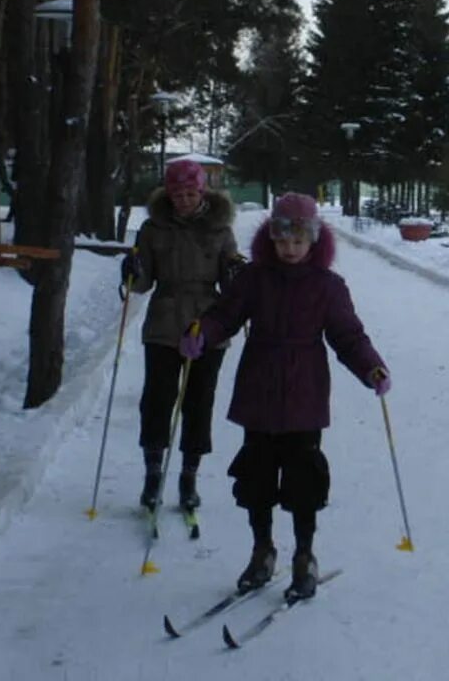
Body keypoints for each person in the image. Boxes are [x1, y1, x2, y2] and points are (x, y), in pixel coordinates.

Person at [179, 192, 390, 601]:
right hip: (258, 387)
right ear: (270, 240)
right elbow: (225, 314)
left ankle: (305, 555)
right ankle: (262, 550)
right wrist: (202, 332)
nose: (289, 249)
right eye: (282, 241)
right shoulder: (254, 278)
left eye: (298, 241)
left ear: (313, 241)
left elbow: (348, 335)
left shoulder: (329, 287)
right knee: (256, 477)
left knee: (303, 480)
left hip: (305, 392)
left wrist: (371, 367)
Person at [121, 158, 240, 513]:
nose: (184, 200)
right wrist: (133, 271)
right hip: (163, 321)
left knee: (199, 402)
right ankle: (152, 474)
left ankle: (189, 477)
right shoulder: (153, 228)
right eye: (177, 194)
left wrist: (235, 274)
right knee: (157, 399)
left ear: (202, 191)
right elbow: (142, 285)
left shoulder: (219, 229)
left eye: (190, 193)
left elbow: (228, 281)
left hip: (207, 323)